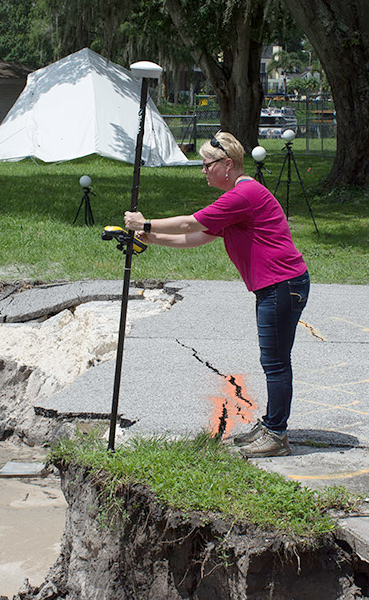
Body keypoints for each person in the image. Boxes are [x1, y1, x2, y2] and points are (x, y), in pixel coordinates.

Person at [123, 131, 309, 459]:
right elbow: (198, 237)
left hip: (282, 285)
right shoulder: (239, 197)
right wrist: (152, 240)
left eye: (207, 164)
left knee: (275, 363)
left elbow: (189, 223)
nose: (204, 171)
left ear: (227, 164)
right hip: (279, 286)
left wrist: (147, 222)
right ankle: (271, 426)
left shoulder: (244, 194)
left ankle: (277, 435)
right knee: (274, 360)